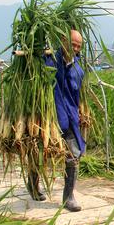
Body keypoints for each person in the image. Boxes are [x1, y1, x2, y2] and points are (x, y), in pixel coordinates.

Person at [26, 29, 85, 212]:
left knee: (73, 154)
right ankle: (33, 185)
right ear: (62, 41)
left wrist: (80, 112)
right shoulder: (48, 61)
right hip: (48, 117)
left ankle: (68, 197)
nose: (74, 48)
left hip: (70, 119)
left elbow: (77, 95)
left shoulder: (78, 69)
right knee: (39, 151)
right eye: (71, 43)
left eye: (78, 45)